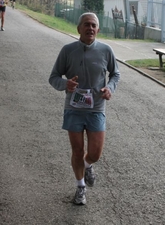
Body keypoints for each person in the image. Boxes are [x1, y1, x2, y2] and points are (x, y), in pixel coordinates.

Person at [49, 12, 120, 205]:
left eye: (93, 25)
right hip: (74, 108)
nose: (90, 28)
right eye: (86, 24)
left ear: (98, 29)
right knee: (77, 150)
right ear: (78, 28)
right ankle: (80, 187)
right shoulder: (67, 50)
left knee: (95, 153)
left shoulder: (106, 50)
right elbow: (53, 77)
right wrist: (66, 85)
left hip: (96, 108)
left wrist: (109, 88)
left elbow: (115, 74)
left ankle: (88, 165)